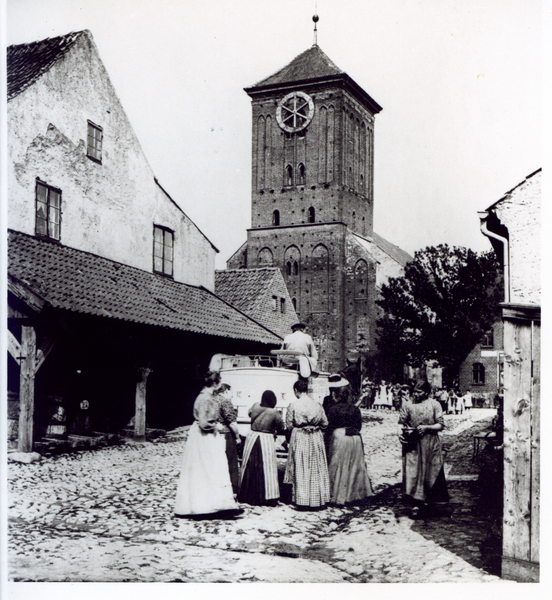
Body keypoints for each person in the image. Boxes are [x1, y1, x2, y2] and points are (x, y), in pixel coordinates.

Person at [174, 371, 242, 519]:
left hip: (203, 436)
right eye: (219, 382)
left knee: (207, 469)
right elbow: (204, 423)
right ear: (216, 384)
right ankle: (208, 506)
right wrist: (215, 426)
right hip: (205, 437)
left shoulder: (203, 396)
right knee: (209, 468)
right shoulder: (206, 398)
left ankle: (215, 505)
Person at [399, 380, 448, 517]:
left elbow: (440, 425)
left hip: (430, 442)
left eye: (419, 392)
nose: (416, 394)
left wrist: (427, 427)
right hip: (413, 443)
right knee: (413, 471)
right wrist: (399, 433)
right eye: (415, 391)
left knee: (430, 471)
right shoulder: (408, 405)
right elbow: (401, 422)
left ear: (426, 392)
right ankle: (415, 503)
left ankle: (429, 502)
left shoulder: (435, 404)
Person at [284, 378, 330, 509]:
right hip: (315, 437)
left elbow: (289, 426)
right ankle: (317, 499)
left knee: (301, 467)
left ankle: (302, 500)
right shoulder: (317, 405)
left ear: (296, 391)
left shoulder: (293, 405)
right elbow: (325, 423)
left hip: (300, 437)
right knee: (315, 468)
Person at [326, 385, 373, 506]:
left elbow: (329, 426)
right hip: (355, 438)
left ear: (336, 396)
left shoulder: (333, 409)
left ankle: (336, 494)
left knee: (338, 465)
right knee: (354, 466)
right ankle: (353, 494)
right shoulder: (355, 409)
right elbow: (359, 427)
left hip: (340, 436)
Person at [238, 390, 285, 506]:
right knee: (266, 468)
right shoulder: (274, 412)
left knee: (249, 466)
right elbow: (281, 426)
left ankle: (246, 495)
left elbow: (249, 413)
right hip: (265, 439)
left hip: (252, 437)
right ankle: (266, 496)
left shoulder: (255, 406)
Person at [213, 383, 241, 496]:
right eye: (231, 392)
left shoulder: (213, 400)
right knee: (231, 463)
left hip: (214, 435)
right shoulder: (225, 401)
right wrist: (238, 437)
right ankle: (233, 490)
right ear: (225, 391)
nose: (232, 395)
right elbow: (232, 422)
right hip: (226, 435)